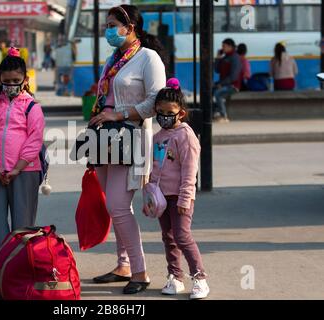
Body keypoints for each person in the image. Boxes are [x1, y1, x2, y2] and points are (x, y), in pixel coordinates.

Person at [88, 5, 167, 294]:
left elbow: (155, 102)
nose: (107, 30)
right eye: (106, 25)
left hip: (130, 138)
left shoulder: (148, 58)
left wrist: (118, 114)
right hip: (104, 139)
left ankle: (140, 271)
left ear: (129, 27)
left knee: (118, 206)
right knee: (114, 205)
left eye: (112, 25)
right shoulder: (114, 58)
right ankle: (122, 265)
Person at [0, 47, 45, 283]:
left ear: (25, 80)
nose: (11, 85)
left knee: (23, 222)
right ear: (0, 80)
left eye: (16, 81)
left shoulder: (32, 107)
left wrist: (17, 167)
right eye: (7, 81)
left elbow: (34, 139)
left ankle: (21, 265)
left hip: (25, 171)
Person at [145, 77, 209, 300]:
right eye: (160, 111)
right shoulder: (157, 137)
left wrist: (185, 198)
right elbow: (154, 170)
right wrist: (150, 198)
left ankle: (199, 277)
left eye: (169, 111)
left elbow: (190, 172)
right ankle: (175, 276)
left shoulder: (186, 136)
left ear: (180, 112)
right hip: (162, 198)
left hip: (181, 198)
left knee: (182, 236)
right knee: (168, 237)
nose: (164, 115)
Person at [213, 38, 242, 123]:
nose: (222, 48)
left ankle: (223, 116)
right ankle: (215, 113)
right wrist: (218, 58)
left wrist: (221, 84)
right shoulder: (225, 57)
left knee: (218, 94)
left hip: (233, 86)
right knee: (211, 90)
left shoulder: (235, 58)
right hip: (224, 84)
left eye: (224, 46)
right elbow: (217, 70)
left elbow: (234, 76)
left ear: (230, 47)